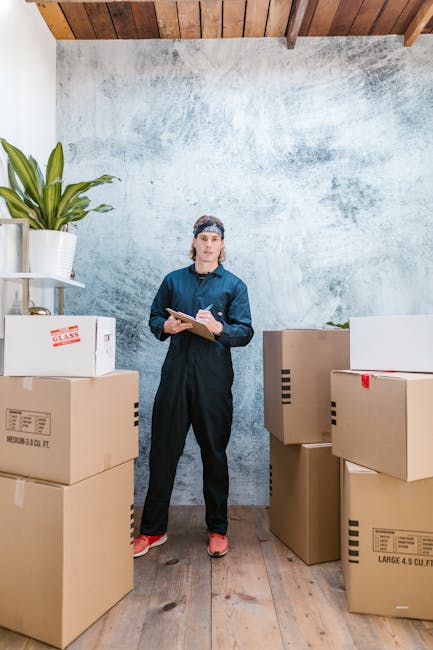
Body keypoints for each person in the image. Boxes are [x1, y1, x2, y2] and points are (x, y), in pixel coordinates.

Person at [133, 215, 254, 559]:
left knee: (214, 454)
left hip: (213, 382)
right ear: (194, 243)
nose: (208, 244)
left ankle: (218, 529)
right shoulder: (173, 280)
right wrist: (167, 326)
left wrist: (218, 329)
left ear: (221, 245)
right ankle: (152, 530)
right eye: (203, 238)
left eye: (214, 239)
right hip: (175, 377)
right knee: (162, 453)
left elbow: (245, 331)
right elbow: (155, 317)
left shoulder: (234, 285)